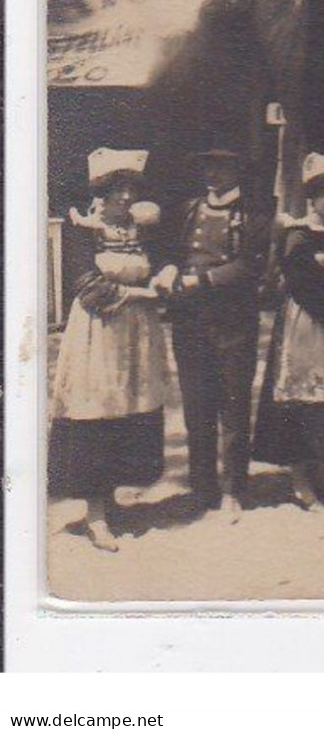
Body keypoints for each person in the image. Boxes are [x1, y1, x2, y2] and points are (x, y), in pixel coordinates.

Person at [49, 149, 168, 552]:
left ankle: (111, 500)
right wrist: (139, 293)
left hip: (136, 334)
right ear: (102, 191)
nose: (125, 197)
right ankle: (95, 515)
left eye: (130, 188)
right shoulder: (84, 228)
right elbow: (88, 287)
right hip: (98, 333)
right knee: (96, 411)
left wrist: (165, 274)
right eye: (117, 189)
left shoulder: (140, 228)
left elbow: (160, 262)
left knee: (127, 410)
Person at [157, 144, 270, 520]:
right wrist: (170, 270)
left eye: (221, 168)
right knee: (196, 407)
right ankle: (202, 488)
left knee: (234, 408)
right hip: (190, 322)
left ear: (237, 172)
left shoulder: (253, 213)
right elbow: (172, 252)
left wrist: (202, 280)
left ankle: (233, 490)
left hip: (233, 322)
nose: (213, 175)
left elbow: (252, 265)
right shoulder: (189, 209)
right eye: (208, 167)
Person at [251, 153, 324, 510]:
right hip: (308, 320)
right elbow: (301, 279)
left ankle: (316, 465)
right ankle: (299, 476)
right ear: (311, 199)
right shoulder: (298, 233)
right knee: (301, 396)